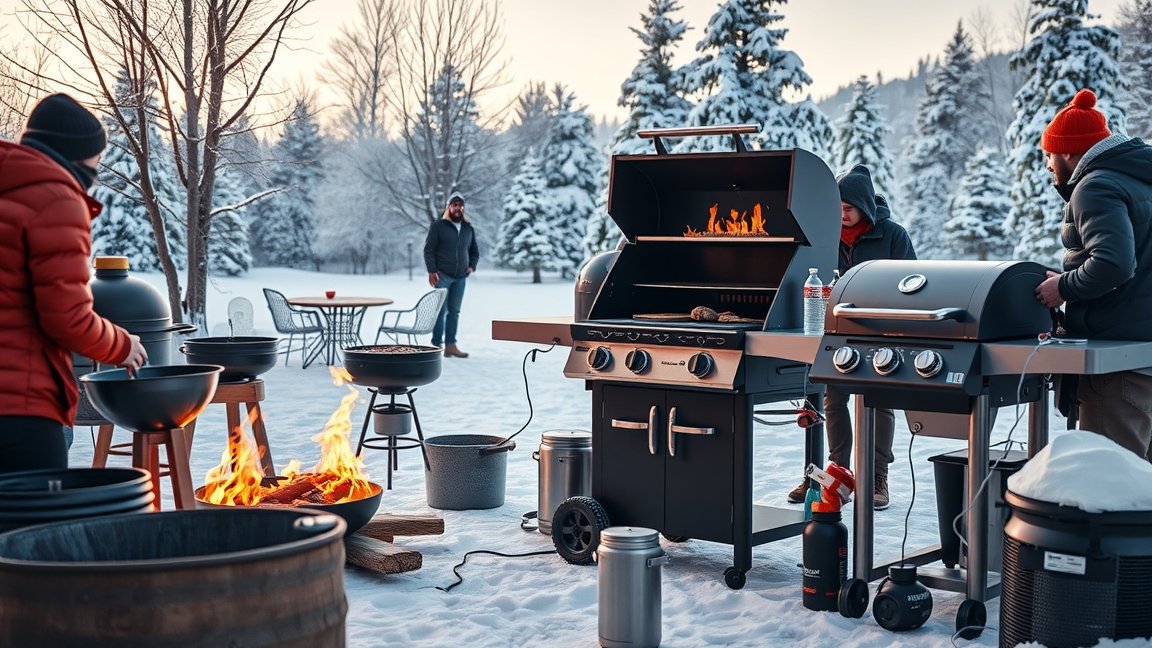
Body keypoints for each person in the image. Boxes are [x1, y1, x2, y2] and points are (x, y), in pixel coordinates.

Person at [0, 93, 148, 473]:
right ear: (76, 154)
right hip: (19, 411)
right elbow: (67, 319)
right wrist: (122, 344)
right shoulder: (56, 198)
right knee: (39, 531)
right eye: (96, 159)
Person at [788, 164, 917, 509]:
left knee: (879, 401)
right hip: (835, 330)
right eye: (837, 208)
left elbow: (913, 282)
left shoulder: (892, 235)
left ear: (864, 206)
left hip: (881, 331)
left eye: (848, 208)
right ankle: (835, 473)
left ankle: (877, 477)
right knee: (832, 399)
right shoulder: (824, 234)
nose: (841, 215)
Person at [1034, 88, 1152, 463]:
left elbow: (1115, 263)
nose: (1049, 165)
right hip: (1143, 354)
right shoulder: (1139, 179)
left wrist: (1063, 287)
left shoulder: (1095, 186)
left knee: (1112, 486)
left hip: (1118, 368)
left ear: (1068, 151)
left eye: (1049, 155)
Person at [424, 190, 480, 358]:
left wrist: (472, 266)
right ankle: (436, 345)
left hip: (460, 277)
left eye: (461, 206)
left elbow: (474, 251)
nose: (458, 208)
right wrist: (432, 270)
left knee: (454, 312)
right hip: (443, 276)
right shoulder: (438, 226)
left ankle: (450, 345)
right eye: (455, 205)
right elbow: (429, 250)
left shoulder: (468, 228)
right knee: (440, 311)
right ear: (449, 207)